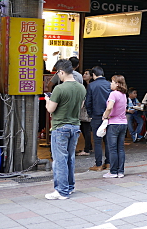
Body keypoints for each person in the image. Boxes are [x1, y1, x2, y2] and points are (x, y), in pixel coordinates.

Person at [44, 60, 86, 200]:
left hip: (60, 127)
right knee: (70, 158)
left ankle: (61, 191)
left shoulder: (59, 89)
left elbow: (51, 109)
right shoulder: (81, 88)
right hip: (75, 126)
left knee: (60, 159)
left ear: (61, 72)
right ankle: (69, 186)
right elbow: (80, 107)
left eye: (58, 73)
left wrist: (47, 101)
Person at [85, 66, 112, 171]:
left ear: (93, 75)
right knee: (108, 140)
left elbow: (88, 102)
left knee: (97, 140)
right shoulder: (109, 84)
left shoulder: (91, 86)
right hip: (108, 116)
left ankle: (99, 164)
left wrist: (90, 114)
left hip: (96, 116)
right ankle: (108, 163)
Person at [102, 75, 128, 178]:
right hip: (123, 123)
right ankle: (120, 171)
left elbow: (110, 107)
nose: (110, 84)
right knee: (120, 148)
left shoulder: (113, 94)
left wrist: (105, 116)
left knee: (112, 149)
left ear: (117, 84)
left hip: (113, 124)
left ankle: (113, 171)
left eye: (112, 82)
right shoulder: (123, 95)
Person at [77, 69, 93, 156]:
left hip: (86, 110)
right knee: (84, 128)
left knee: (86, 129)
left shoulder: (90, 86)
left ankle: (87, 149)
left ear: (91, 76)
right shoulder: (85, 85)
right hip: (85, 110)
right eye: (84, 73)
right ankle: (89, 146)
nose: (84, 75)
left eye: (86, 74)